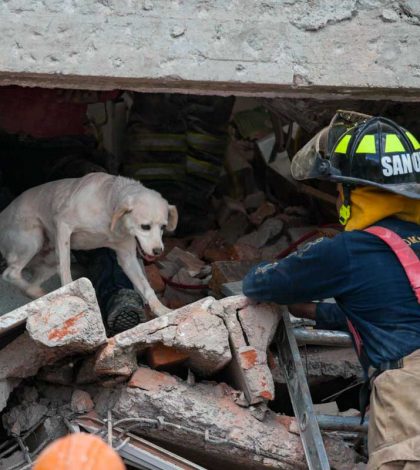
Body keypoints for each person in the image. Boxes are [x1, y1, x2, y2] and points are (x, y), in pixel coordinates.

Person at [243, 112, 420, 470]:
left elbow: (259, 283)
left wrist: (290, 292)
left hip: (410, 399)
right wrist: (310, 311)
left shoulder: (348, 251)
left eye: (339, 189)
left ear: (354, 192)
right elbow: (387, 315)